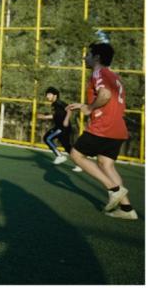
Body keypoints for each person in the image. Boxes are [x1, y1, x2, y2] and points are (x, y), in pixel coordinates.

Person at [66, 42, 137, 220]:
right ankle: (127, 209)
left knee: (76, 155)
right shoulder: (115, 76)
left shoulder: (99, 72)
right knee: (106, 165)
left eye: (88, 54)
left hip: (103, 126)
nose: (85, 58)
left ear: (96, 57)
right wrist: (84, 105)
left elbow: (104, 95)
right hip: (118, 128)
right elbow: (110, 99)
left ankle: (114, 190)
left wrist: (89, 108)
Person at [36, 86, 82, 172]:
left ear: (55, 95)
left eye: (49, 94)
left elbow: (69, 109)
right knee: (67, 147)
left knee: (47, 138)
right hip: (61, 128)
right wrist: (45, 117)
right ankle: (79, 165)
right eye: (47, 95)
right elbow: (56, 115)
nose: (47, 96)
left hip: (62, 127)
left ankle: (60, 156)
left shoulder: (59, 102)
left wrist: (66, 120)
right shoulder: (54, 104)